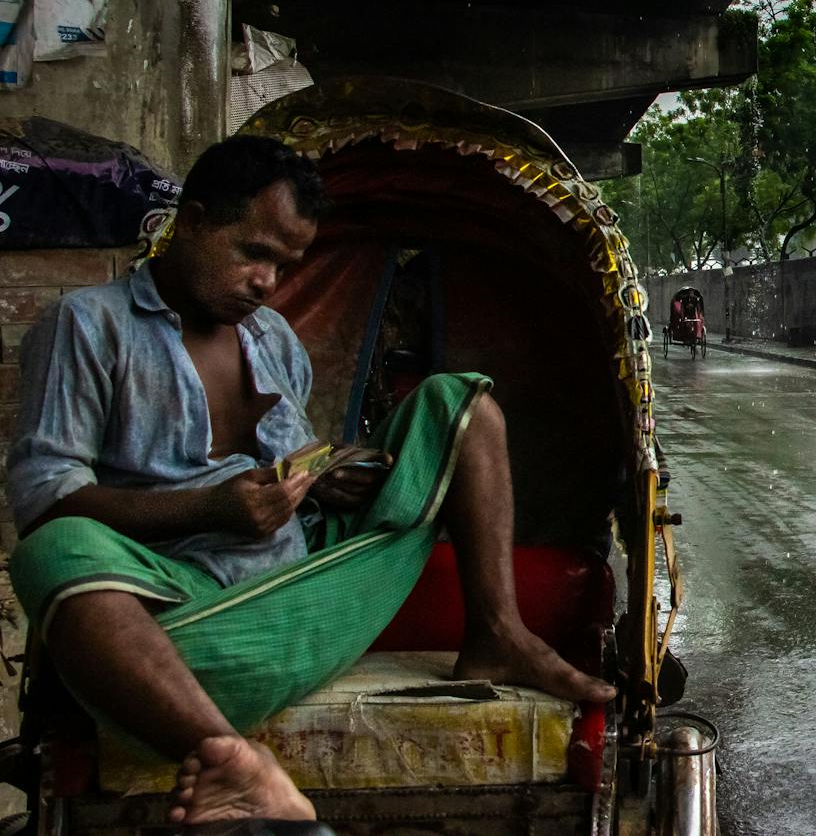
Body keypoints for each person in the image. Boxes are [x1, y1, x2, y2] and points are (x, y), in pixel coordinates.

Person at [6, 136, 614, 825]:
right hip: (184, 618)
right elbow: (44, 500)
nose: (267, 282)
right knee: (51, 550)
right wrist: (208, 509)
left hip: (312, 582)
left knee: (462, 405)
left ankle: (497, 634)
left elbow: (291, 457)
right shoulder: (87, 325)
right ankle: (230, 759)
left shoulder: (271, 336)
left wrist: (325, 474)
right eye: (254, 253)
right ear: (194, 220)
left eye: (284, 266)